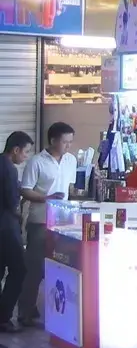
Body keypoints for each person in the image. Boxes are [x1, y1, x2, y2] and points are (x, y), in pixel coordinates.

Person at [18, 121, 75, 327]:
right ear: (53, 140)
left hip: (65, 221)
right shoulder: (37, 162)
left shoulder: (71, 160)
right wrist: (47, 198)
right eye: (65, 142)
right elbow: (25, 190)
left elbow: (70, 187)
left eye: (70, 142)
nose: (68, 146)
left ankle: (56, 309)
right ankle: (25, 310)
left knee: (59, 265)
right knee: (34, 267)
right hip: (40, 220)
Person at [0, 131, 31, 332]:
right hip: (6, 228)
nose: (26, 156)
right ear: (16, 149)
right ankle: (3, 316)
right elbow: (12, 202)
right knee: (19, 269)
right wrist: (21, 216)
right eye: (26, 152)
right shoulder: (9, 169)